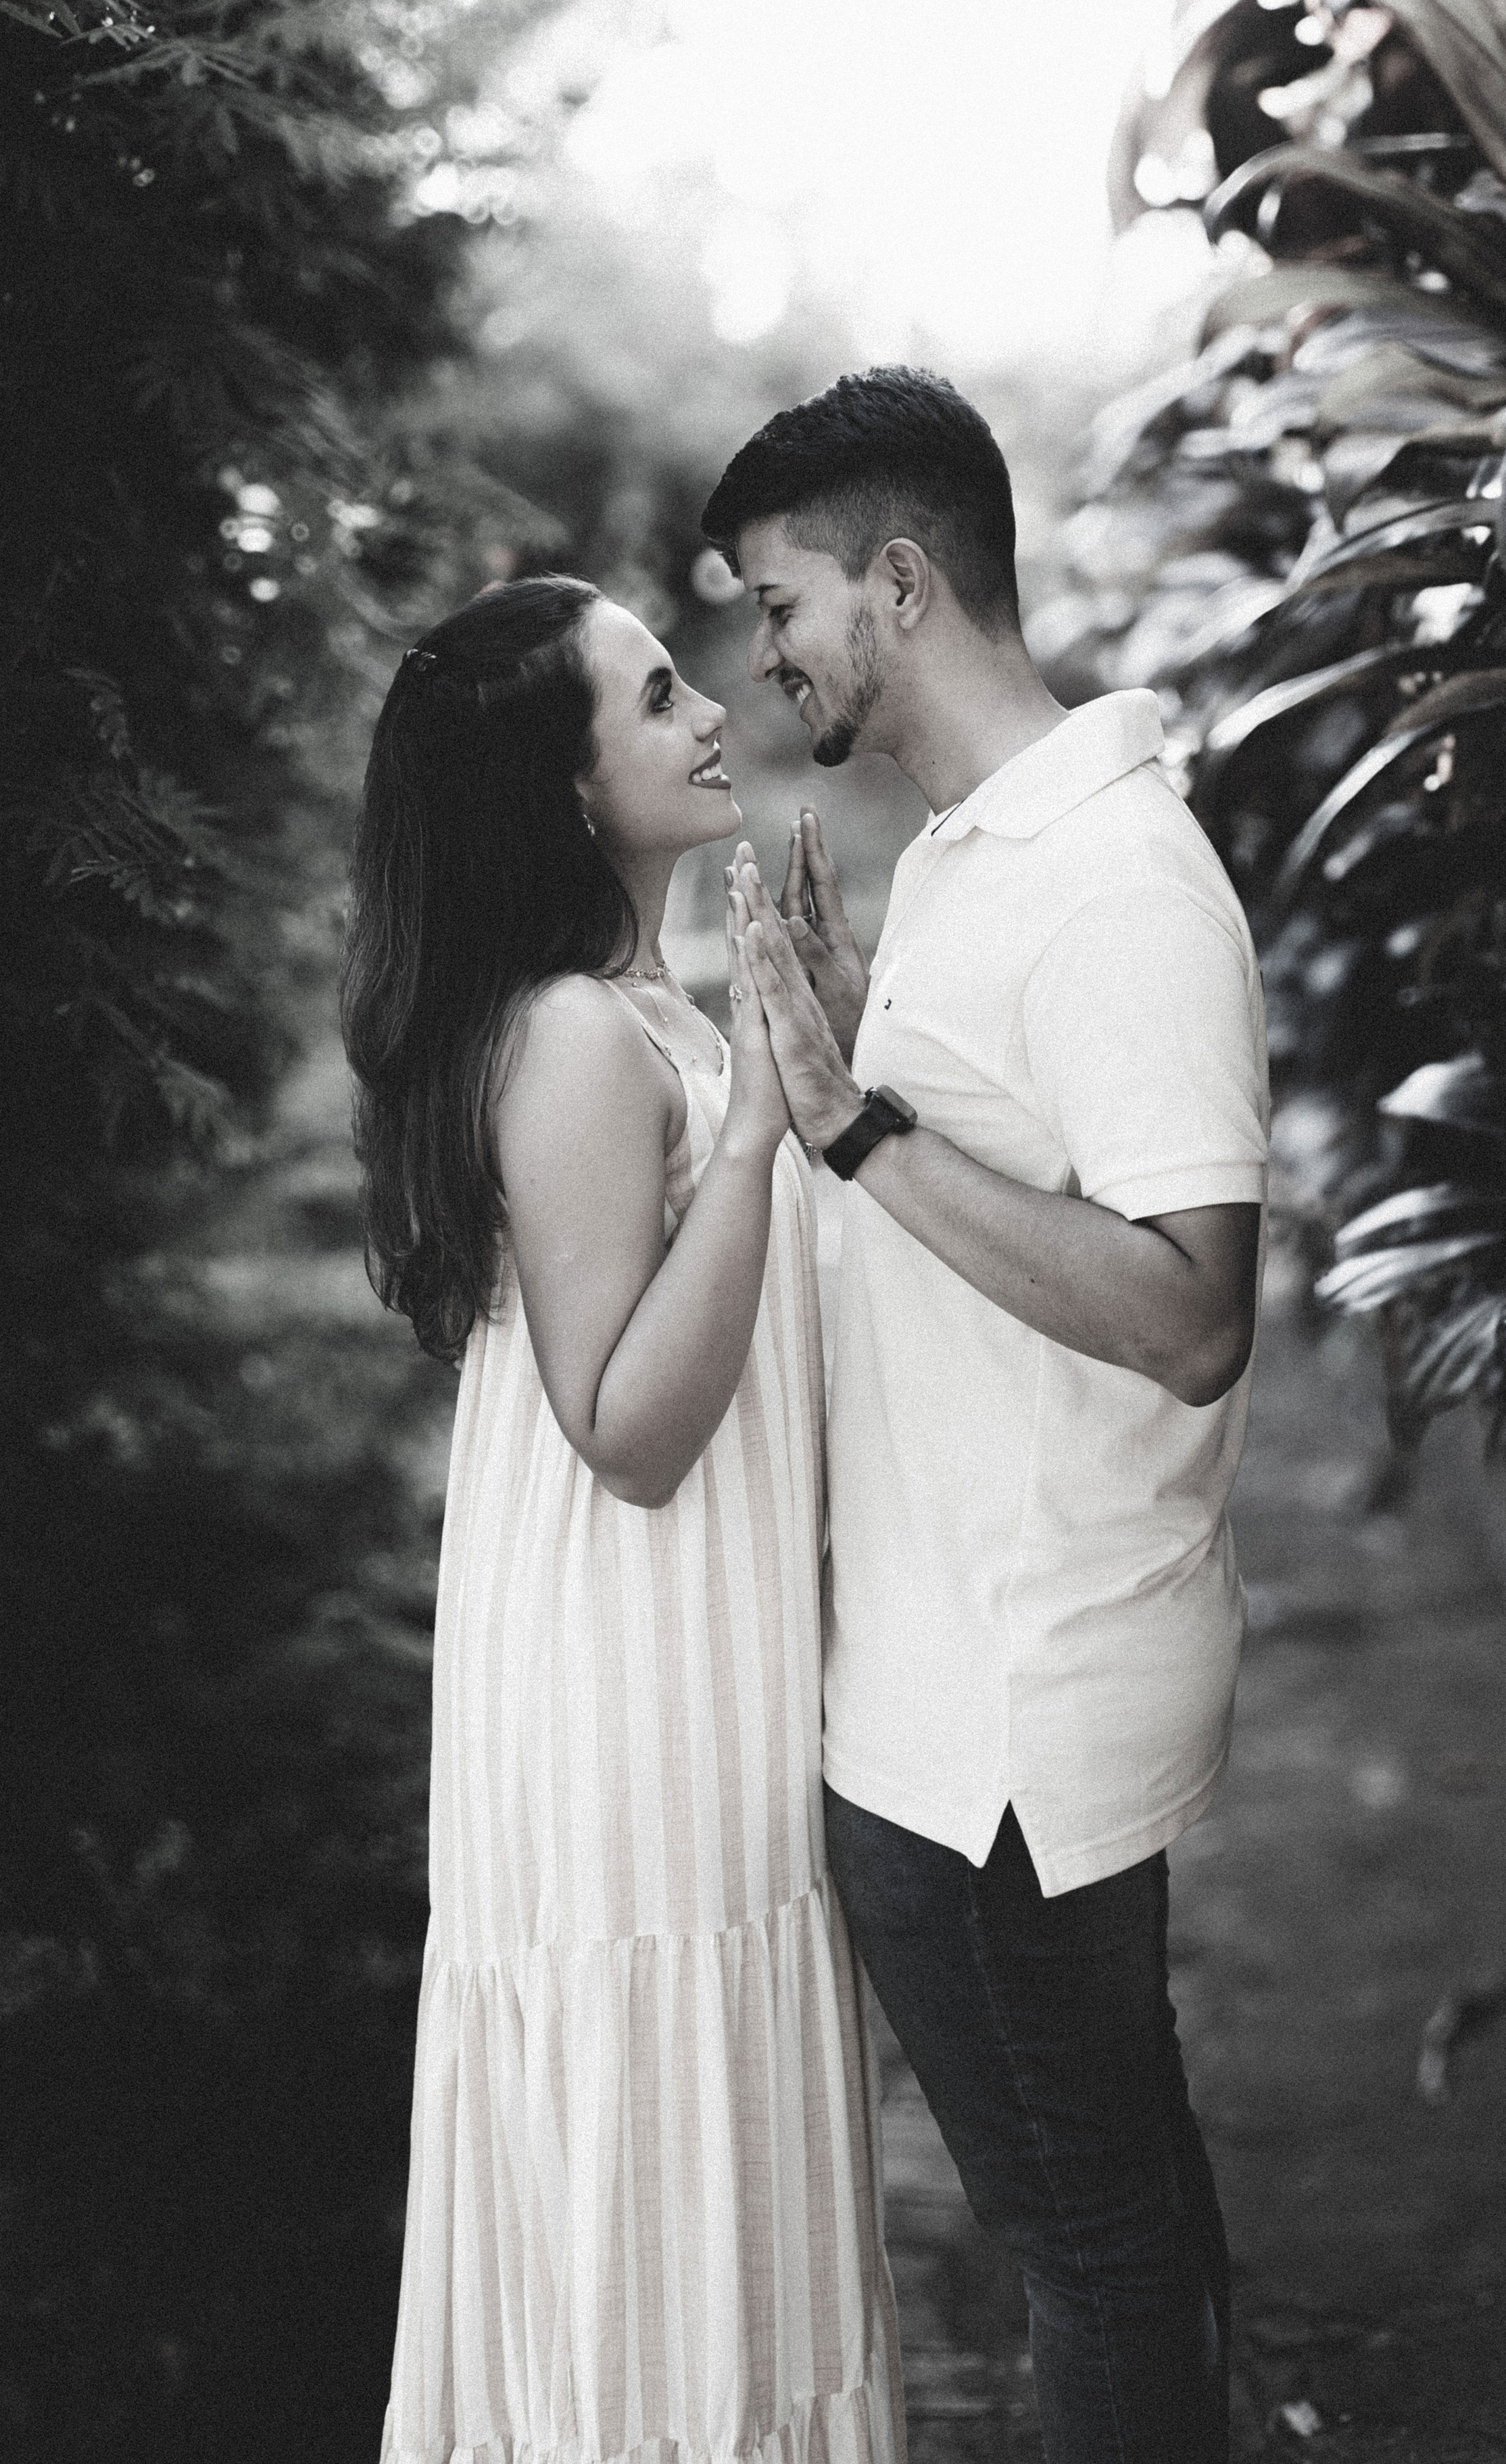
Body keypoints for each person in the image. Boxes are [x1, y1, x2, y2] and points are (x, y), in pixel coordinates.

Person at [700, 368, 1269, 2464]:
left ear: (902, 582)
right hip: (977, 1690)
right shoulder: (973, 853)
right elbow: (1001, 1203)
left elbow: (1195, 1316)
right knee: (1125, 2216)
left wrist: (852, 1129)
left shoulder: (1113, 881)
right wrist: (871, 1078)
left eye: (779, 606)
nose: (760, 660)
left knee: (1090, 2256)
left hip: (1004, 1732)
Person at [341, 574, 904, 2464]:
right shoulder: (576, 1035)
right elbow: (630, 1429)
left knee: (709, 2170)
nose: (708, 710)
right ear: (571, 794)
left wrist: (794, 1061)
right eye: (656, 696)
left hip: (691, 1652)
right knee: (666, 2175)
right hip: (626, 1682)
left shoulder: (641, 1002)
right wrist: (757, 1118)